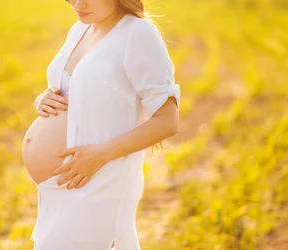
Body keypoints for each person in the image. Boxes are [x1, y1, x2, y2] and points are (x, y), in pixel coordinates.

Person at [27, 0, 180, 249]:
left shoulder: (138, 34)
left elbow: (167, 122)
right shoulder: (81, 28)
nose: (78, 3)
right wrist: (43, 99)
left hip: (97, 183)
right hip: (61, 188)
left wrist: (99, 155)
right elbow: (77, 88)